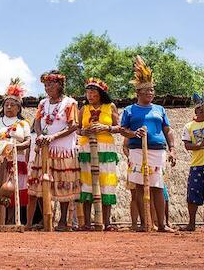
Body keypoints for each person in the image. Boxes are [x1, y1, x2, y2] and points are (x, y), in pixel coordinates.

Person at [121, 56, 176, 232]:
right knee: (138, 186)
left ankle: (161, 224)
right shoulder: (130, 110)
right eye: (146, 91)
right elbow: (122, 130)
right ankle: (145, 222)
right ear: (138, 93)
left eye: (152, 90)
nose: (150, 93)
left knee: (157, 185)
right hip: (137, 149)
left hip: (158, 150)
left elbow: (167, 130)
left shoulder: (160, 109)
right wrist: (134, 133)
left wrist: (172, 149)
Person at [28, 70, 80, 231]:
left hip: (63, 150)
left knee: (64, 184)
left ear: (59, 85)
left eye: (50, 84)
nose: (47, 88)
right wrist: (39, 135)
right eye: (45, 85)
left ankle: (63, 221)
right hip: (44, 149)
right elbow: (37, 122)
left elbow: (74, 126)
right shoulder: (43, 103)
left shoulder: (70, 103)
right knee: (41, 185)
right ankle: (45, 220)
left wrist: (53, 137)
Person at [78, 78, 121, 231]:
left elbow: (118, 127)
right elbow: (77, 129)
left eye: (93, 92)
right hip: (86, 147)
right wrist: (84, 131)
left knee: (105, 183)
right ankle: (87, 223)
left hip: (105, 148)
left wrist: (104, 127)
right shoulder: (83, 109)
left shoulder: (110, 107)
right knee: (87, 182)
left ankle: (106, 222)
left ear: (101, 93)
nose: (90, 95)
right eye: (88, 92)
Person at [0, 78, 31, 224]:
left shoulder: (23, 123)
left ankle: (12, 219)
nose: (9, 107)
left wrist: (13, 147)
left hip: (16, 160)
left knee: (13, 189)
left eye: (13, 105)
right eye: (6, 104)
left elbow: (27, 142)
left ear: (19, 108)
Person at [180, 92, 204, 231]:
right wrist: (199, 146)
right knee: (193, 194)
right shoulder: (189, 126)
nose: (201, 111)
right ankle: (191, 223)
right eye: (199, 109)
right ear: (195, 111)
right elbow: (187, 145)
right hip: (197, 164)